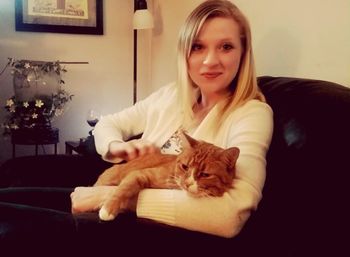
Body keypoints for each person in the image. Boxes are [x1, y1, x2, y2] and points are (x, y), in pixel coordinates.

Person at [0, 0, 273, 249]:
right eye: (198, 47)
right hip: (116, 183)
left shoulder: (251, 113)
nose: (210, 60)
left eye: (226, 46)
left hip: (145, 226)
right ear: (185, 54)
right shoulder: (172, 95)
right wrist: (118, 147)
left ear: (243, 53)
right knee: (12, 181)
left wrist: (109, 198)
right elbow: (108, 123)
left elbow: (230, 215)